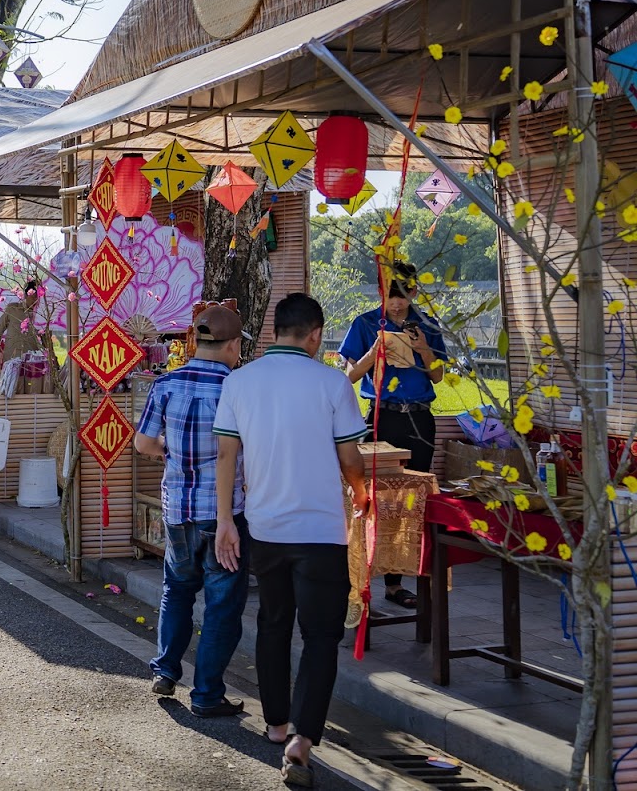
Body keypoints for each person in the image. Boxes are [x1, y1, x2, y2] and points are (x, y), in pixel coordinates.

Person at [214, 293, 369, 788]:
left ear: (273, 331)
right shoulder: (332, 383)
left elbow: (225, 459)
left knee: (274, 623)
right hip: (322, 530)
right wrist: (363, 495)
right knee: (322, 635)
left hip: (265, 527)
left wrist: (224, 521)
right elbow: (350, 459)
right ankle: (302, 741)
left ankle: (276, 724)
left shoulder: (240, 381)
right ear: (316, 334)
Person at [132, 305, 248, 717]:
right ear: (233, 345)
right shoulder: (239, 388)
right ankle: (206, 695)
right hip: (224, 516)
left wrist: (173, 453)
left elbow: (144, 445)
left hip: (177, 510)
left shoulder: (166, 384)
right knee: (221, 603)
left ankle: (165, 671)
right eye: (239, 348)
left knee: (177, 589)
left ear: (196, 342)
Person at [340, 264, 446, 610]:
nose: (397, 304)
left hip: (419, 418)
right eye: (390, 296)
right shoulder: (366, 323)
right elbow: (350, 376)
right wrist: (374, 353)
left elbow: (438, 375)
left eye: (403, 296)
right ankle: (363, 578)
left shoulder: (427, 324)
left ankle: (399, 580)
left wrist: (423, 348)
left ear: (415, 292)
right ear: (380, 292)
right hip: (383, 418)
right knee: (376, 499)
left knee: (414, 500)